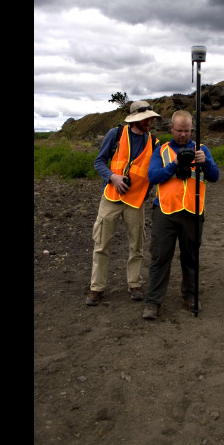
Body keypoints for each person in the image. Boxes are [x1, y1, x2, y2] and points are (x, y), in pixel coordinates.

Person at [142, 110, 220, 320]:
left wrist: (205, 162)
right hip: (165, 211)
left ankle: (190, 296)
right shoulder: (162, 151)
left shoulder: (201, 150)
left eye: (187, 131)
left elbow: (214, 177)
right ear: (171, 129)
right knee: (160, 257)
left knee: (191, 258)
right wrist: (175, 164)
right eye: (179, 130)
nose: (183, 135)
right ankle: (153, 301)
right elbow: (153, 176)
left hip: (193, 213)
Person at [86, 101, 161, 306]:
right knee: (101, 244)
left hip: (135, 201)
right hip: (111, 197)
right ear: (135, 119)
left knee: (136, 245)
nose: (149, 121)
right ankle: (96, 288)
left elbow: (157, 170)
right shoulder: (116, 134)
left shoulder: (154, 142)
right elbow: (99, 162)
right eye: (146, 118)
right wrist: (113, 178)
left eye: (151, 118)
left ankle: (134, 283)